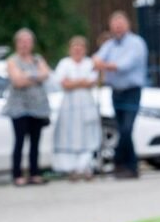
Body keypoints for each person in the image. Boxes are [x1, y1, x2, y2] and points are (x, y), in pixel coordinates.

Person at [93, 11, 148, 179]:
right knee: (121, 129)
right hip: (115, 92)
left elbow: (124, 65)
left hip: (131, 91)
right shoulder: (110, 45)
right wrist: (103, 64)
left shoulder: (136, 43)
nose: (117, 28)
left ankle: (118, 160)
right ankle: (130, 167)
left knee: (126, 128)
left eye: (120, 25)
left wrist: (105, 65)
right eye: (114, 26)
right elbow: (96, 59)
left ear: (127, 25)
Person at [3, 28, 52, 187]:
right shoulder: (12, 60)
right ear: (16, 43)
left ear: (32, 44)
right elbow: (17, 81)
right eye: (21, 41)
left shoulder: (37, 59)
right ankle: (17, 175)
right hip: (19, 108)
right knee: (19, 141)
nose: (24, 45)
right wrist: (35, 77)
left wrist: (27, 76)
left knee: (35, 142)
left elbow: (46, 74)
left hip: (37, 108)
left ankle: (34, 173)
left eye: (27, 41)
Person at [51, 36, 101, 180]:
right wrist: (80, 81)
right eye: (75, 46)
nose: (78, 49)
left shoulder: (89, 63)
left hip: (86, 104)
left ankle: (86, 167)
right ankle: (71, 169)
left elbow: (91, 81)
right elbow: (63, 83)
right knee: (69, 136)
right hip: (69, 106)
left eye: (81, 46)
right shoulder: (64, 63)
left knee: (87, 135)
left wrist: (73, 82)